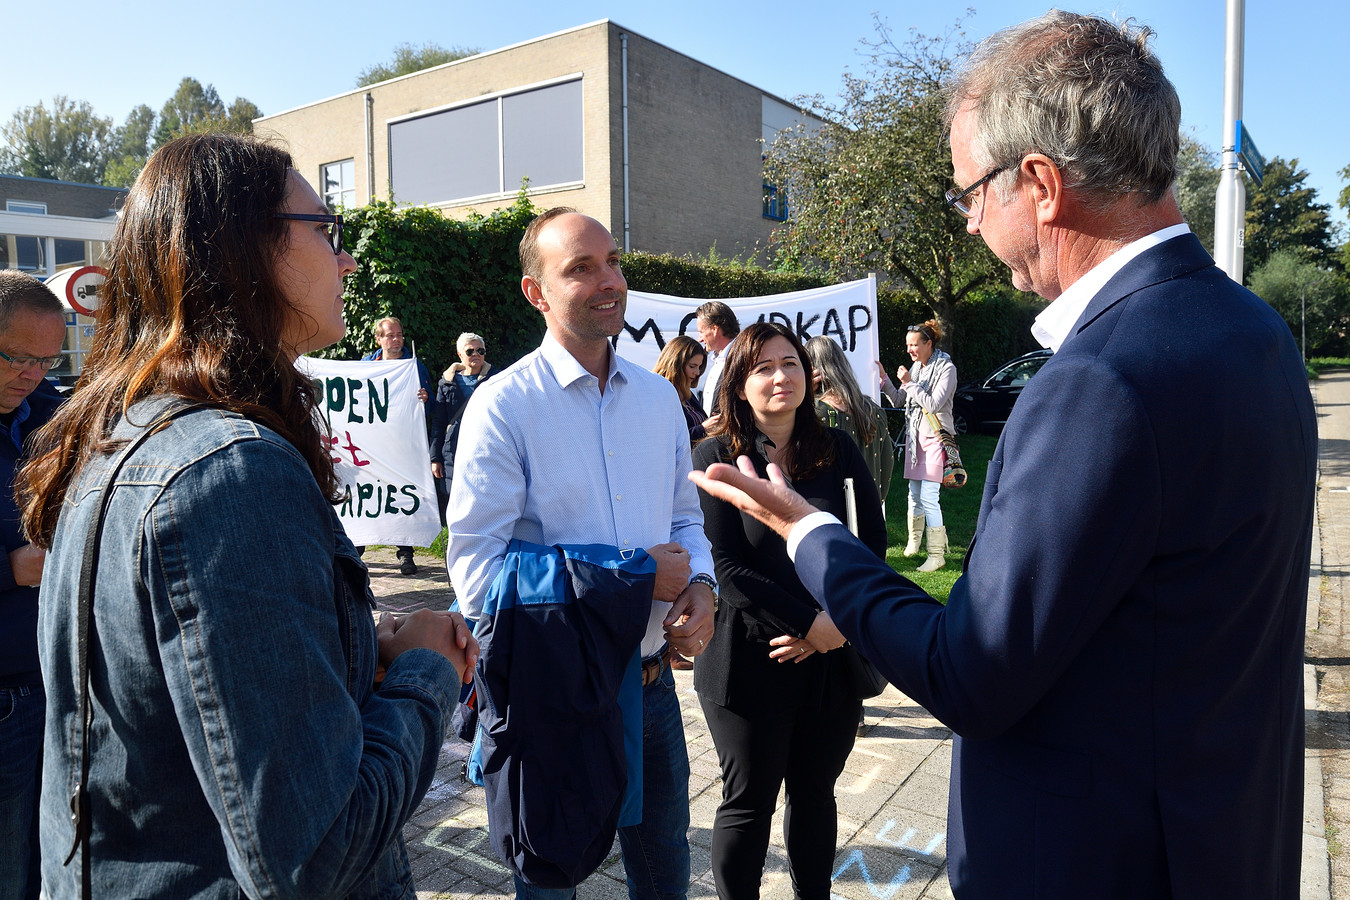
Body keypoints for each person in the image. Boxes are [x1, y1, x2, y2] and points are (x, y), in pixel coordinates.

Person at [690, 12, 1316, 899]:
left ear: (1041, 183)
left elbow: (972, 669)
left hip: (1095, 860)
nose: (972, 225)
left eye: (970, 195)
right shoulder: (1254, 331)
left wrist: (812, 537)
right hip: (1225, 840)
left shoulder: (1101, 378)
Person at [18, 133, 477, 899]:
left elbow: (181, 709)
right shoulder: (229, 473)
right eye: (325, 232)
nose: (347, 261)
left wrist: (355, 648)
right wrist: (427, 671)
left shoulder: (128, 433)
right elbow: (314, 855)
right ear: (245, 249)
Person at [446, 207, 716, 900]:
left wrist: (703, 588)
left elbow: (686, 519)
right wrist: (630, 580)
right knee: (548, 882)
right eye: (581, 268)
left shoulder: (659, 401)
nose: (609, 281)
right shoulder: (504, 406)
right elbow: (477, 577)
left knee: (664, 876)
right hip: (552, 700)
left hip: (651, 690)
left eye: (614, 261)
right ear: (536, 292)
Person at [692, 323, 886, 900]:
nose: (781, 377)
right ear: (739, 382)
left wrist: (834, 628)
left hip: (829, 661)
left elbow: (869, 546)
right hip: (750, 658)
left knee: (814, 793)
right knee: (749, 802)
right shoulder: (716, 456)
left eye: (791, 363)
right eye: (764, 368)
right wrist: (808, 626)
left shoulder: (839, 449)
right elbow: (726, 566)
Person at [0, 272, 66, 900]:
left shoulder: (51, 415)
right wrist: (9, 567)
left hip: (59, 676)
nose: (32, 373)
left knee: (53, 858)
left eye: (47, 359)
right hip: (5, 692)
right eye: (18, 356)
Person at [879, 320, 955, 571]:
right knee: (914, 495)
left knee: (929, 497)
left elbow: (933, 404)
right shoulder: (917, 368)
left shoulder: (946, 368)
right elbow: (900, 400)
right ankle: (914, 543)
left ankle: (936, 555)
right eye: (908, 345)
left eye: (914, 345)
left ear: (928, 344)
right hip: (916, 438)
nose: (910, 350)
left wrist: (910, 382)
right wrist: (885, 380)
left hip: (935, 438)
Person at [363, 316, 432, 574]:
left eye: (399, 335)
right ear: (378, 339)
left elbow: (431, 406)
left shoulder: (414, 366)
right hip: (372, 445)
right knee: (366, 495)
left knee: (400, 496)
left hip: (402, 447)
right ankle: (358, 549)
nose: (396, 340)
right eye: (390, 335)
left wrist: (425, 400)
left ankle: (405, 554)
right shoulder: (366, 366)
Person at [805, 335, 893, 504]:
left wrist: (802, 399)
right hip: (870, 513)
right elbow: (886, 468)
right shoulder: (873, 410)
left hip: (827, 518)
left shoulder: (812, 412)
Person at [430, 332, 494, 524]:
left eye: (480, 350)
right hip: (453, 451)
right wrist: (435, 458)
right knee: (455, 500)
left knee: (485, 499)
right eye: (470, 351)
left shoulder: (497, 379)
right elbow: (439, 422)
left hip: (486, 448)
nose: (476, 354)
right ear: (460, 354)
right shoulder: (446, 383)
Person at [654, 334, 708, 445]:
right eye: (692, 366)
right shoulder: (659, 397)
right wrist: (703, 429)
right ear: (676, 364)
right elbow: (666, 442)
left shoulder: (688, 394)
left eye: (699, 367)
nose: (697, 373)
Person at [695, 300, 740, 416]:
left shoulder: (742, 357)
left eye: (701, 332)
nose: (699, 339)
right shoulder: (717, 360)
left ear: (714, 329)